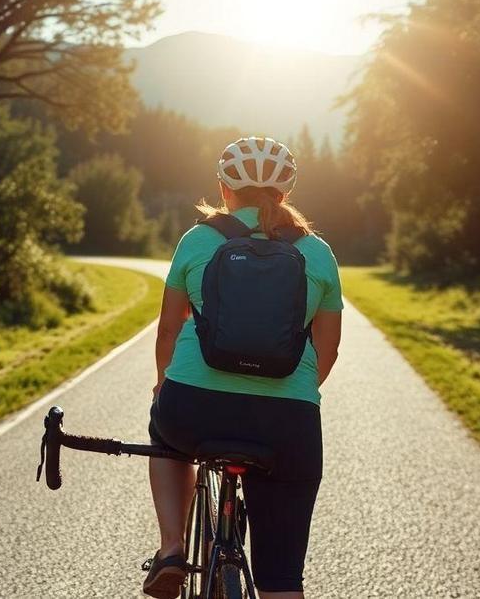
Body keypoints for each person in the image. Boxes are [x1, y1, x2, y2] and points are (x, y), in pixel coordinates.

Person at [141, 137, 343, 599]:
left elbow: (168, 330)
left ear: (223, 188)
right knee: (283, 580)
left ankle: (172, 549)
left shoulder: (198, 240)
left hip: (193, 408)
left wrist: (162, 388)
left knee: (164, 431)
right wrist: (292, 396)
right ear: (285, 194)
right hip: (286, 425)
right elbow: (327, 351)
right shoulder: (318, 253)